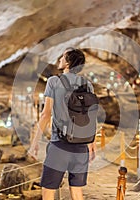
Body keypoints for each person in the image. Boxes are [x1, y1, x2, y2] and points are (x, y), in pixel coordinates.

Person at [28, 47, 97, 200]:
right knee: (77, 191)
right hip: (81, 146)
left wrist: (35, 142)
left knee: (48, 190)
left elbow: (45, 114)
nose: (59, 60)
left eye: (63, 57)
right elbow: (91, 116)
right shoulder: (87, 84)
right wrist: (92, 143)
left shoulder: (54, 81)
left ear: (68, 63)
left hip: (60, 145)